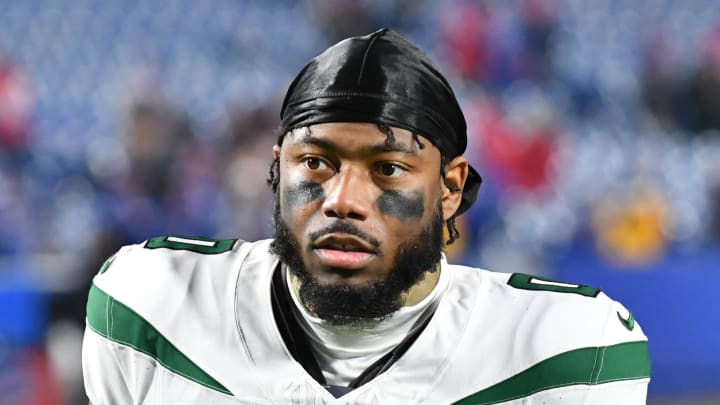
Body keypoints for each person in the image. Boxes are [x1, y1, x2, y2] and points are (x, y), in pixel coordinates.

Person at [82, 29, 650, 404]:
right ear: (277, 170)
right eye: (316, 162)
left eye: (389, 168)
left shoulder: (563, 349)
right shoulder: (152, 307)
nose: (343, 199)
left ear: (450, 189)